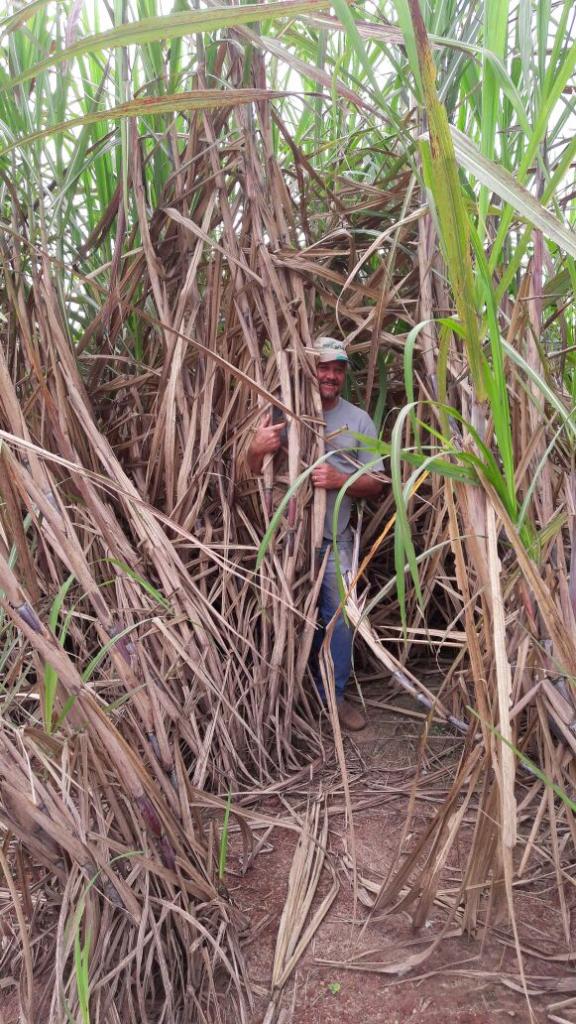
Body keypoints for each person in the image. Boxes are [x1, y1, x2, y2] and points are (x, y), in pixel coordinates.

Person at [247, 337, 385, 731]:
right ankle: (278, 702)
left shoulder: (358, 420)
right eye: (323, 367)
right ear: (310, 369)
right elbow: (250, 473)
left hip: (334, 540)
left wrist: (342, 480)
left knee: (339, 619)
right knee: (278, 615)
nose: (330, 375)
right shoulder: (280, 409)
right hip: (284, 539)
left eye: (338, 369)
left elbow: (377, 484)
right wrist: (256, 449)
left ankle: (333, 699)